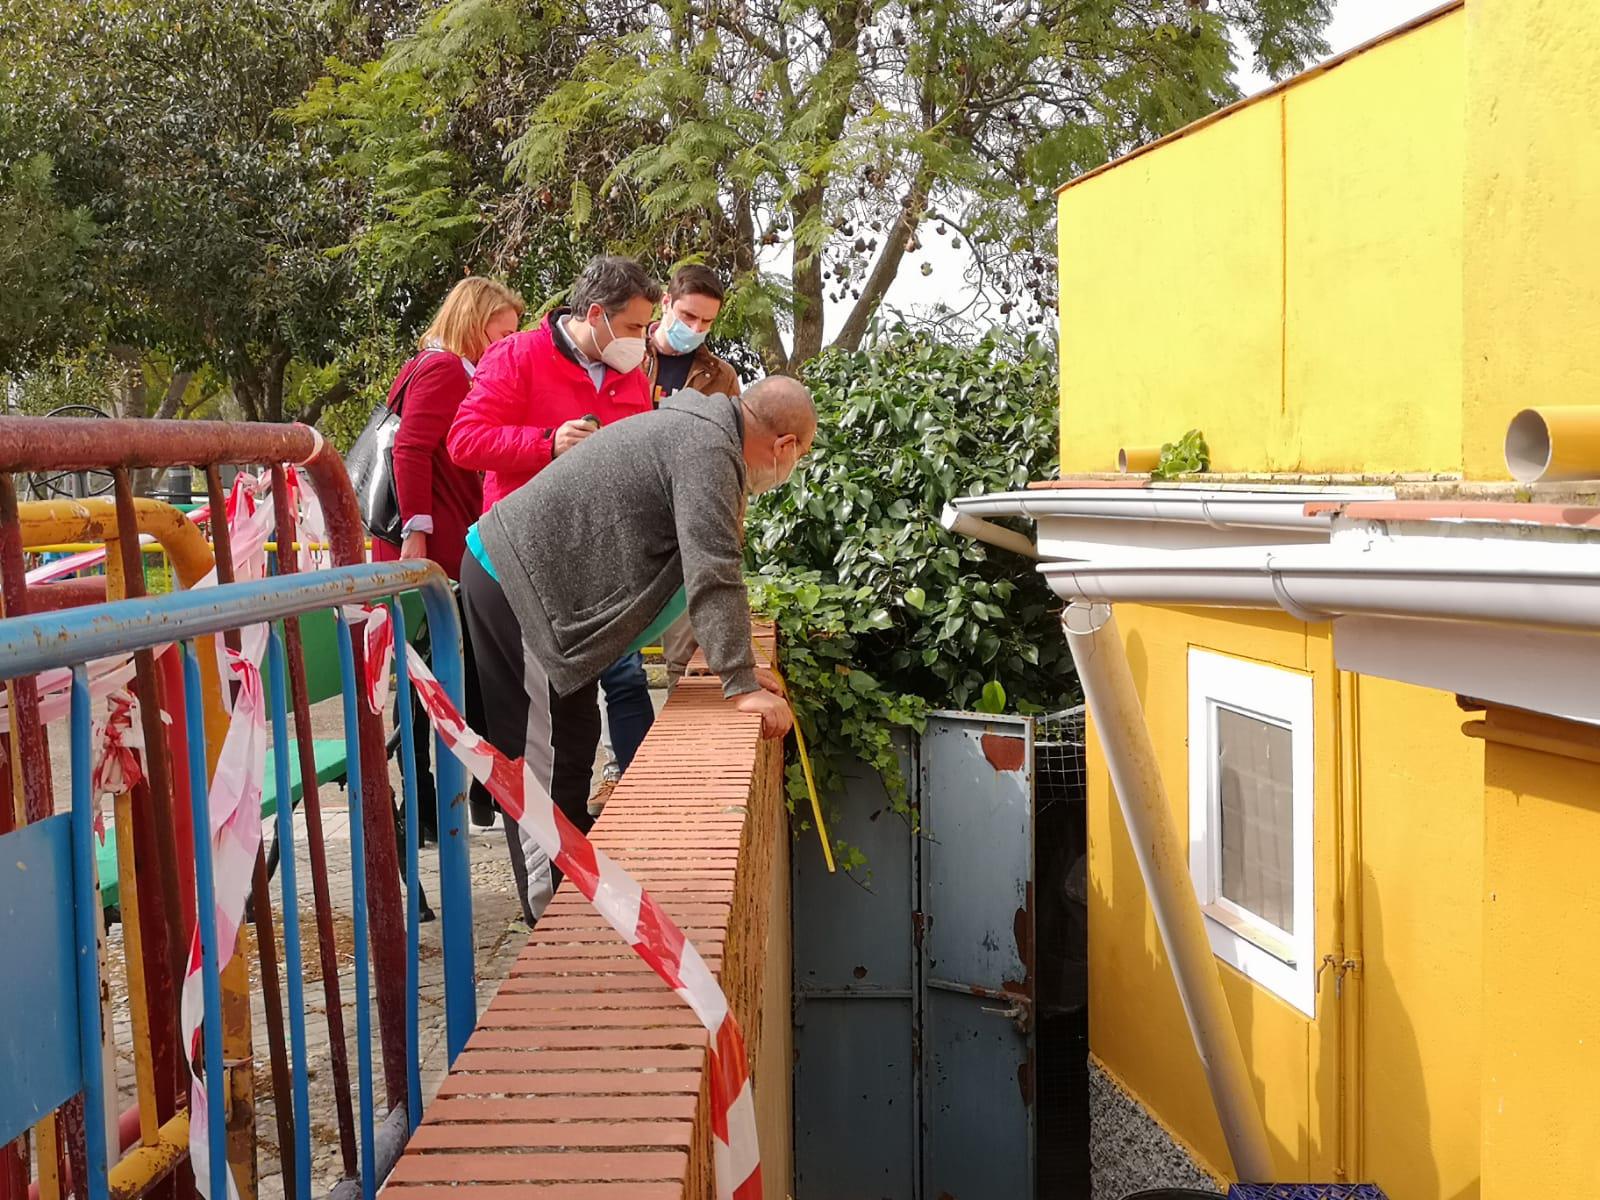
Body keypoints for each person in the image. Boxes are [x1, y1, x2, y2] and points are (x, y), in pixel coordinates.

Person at [459, 376, 814, 925]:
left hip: (542, 592)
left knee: (573, 741)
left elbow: (708, 565)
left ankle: (570, 893)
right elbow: (713, 567)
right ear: (785, 446)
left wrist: (737, 665)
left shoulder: (703, 431)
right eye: (800, 457)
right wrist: (740, 682)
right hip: (514, 584)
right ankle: (552, 920)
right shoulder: (708, 448)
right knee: (543, 760)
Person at [446, 256, 662, 910]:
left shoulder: (633, 381)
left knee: (577, 732)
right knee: (535, 744)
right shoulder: (516, 357)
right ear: (594, 316)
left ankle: (572, 874)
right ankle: (545, 903)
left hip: (583, 581)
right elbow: (466, 441)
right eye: (633, 325)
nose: (642, 340)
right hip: (515, 569)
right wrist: (546, 444)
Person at [642, 265, 743, 697]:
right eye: (687, 317)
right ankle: (615, 761)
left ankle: (679, 751)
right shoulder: (624, 353)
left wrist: (729, 532)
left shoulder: (721, 377)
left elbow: (731, 460)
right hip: (625, 515)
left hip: (686, 524)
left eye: (706, 322)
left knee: (684, 658)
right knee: (613, 662)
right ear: (666, 303)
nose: (696, 329)